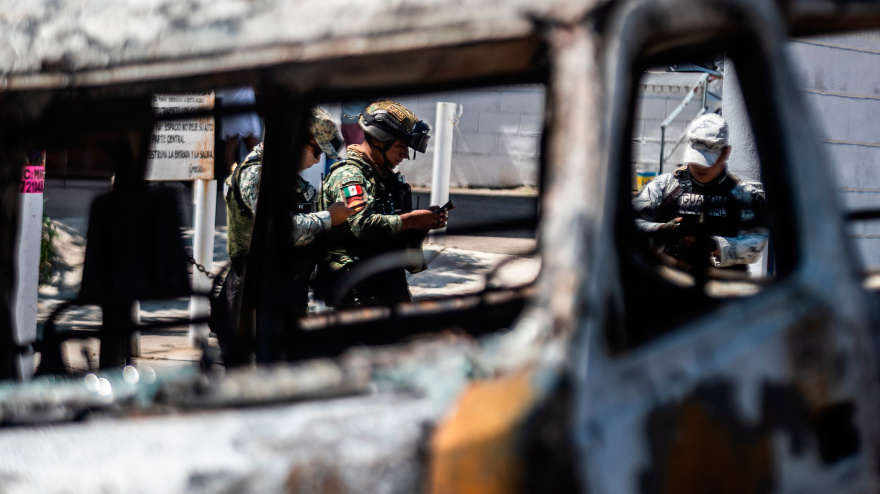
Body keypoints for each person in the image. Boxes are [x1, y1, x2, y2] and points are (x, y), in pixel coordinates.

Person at [218, 106, 356, 362]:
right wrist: (329, 218)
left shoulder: (290, 180)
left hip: (286, 292)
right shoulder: (255, 175)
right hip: (254, 297)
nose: (317, 160)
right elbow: (283, 230)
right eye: (316, 151)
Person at [319, 100, 449, 308]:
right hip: (356, 294)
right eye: (400, 146)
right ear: (379, 141)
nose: (405, 154)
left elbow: (393, 235)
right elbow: (361, 225)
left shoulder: (383, 178)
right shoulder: (350, 176)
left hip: (385, 287)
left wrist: (423, 224)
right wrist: (412, 220)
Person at [632, 113, 767, 270]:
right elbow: (629, 223)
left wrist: (714, 244)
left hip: (722, 287)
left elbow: (756, 244)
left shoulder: (746, 196)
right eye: (697, 158)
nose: (700, 166)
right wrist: (664, 230)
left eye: (707, 159)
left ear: (726, 152)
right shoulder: (663, 186)